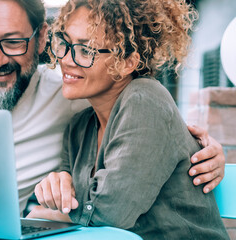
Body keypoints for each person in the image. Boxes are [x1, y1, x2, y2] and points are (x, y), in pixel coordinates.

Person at [0, 0, 225, 215]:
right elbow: (68, 190)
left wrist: (208, 148)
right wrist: (55, 189)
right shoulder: (78, 118)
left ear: (41, 35)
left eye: (14, 41)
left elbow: (108, 208)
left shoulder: (104, 98)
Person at [28, 0, 229, 239]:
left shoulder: (145, 99)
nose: (67, 60)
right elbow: (69, 206)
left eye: (86, 50)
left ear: (126, 63)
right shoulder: (78, 127)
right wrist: (56, 187)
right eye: (65, 43)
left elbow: (110, 213)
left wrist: (43, 215)